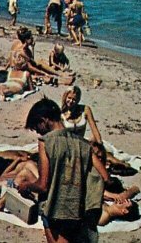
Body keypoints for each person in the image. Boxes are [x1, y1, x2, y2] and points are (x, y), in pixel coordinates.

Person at [19, 98, 109, 243]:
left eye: (37, 127)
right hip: (78, 210)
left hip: (55, 210)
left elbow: (43, 185)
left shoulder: (46, 142)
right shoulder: (83, 144)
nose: (38, 132)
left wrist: (26, 185)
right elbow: (105, 177)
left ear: (44, 120)